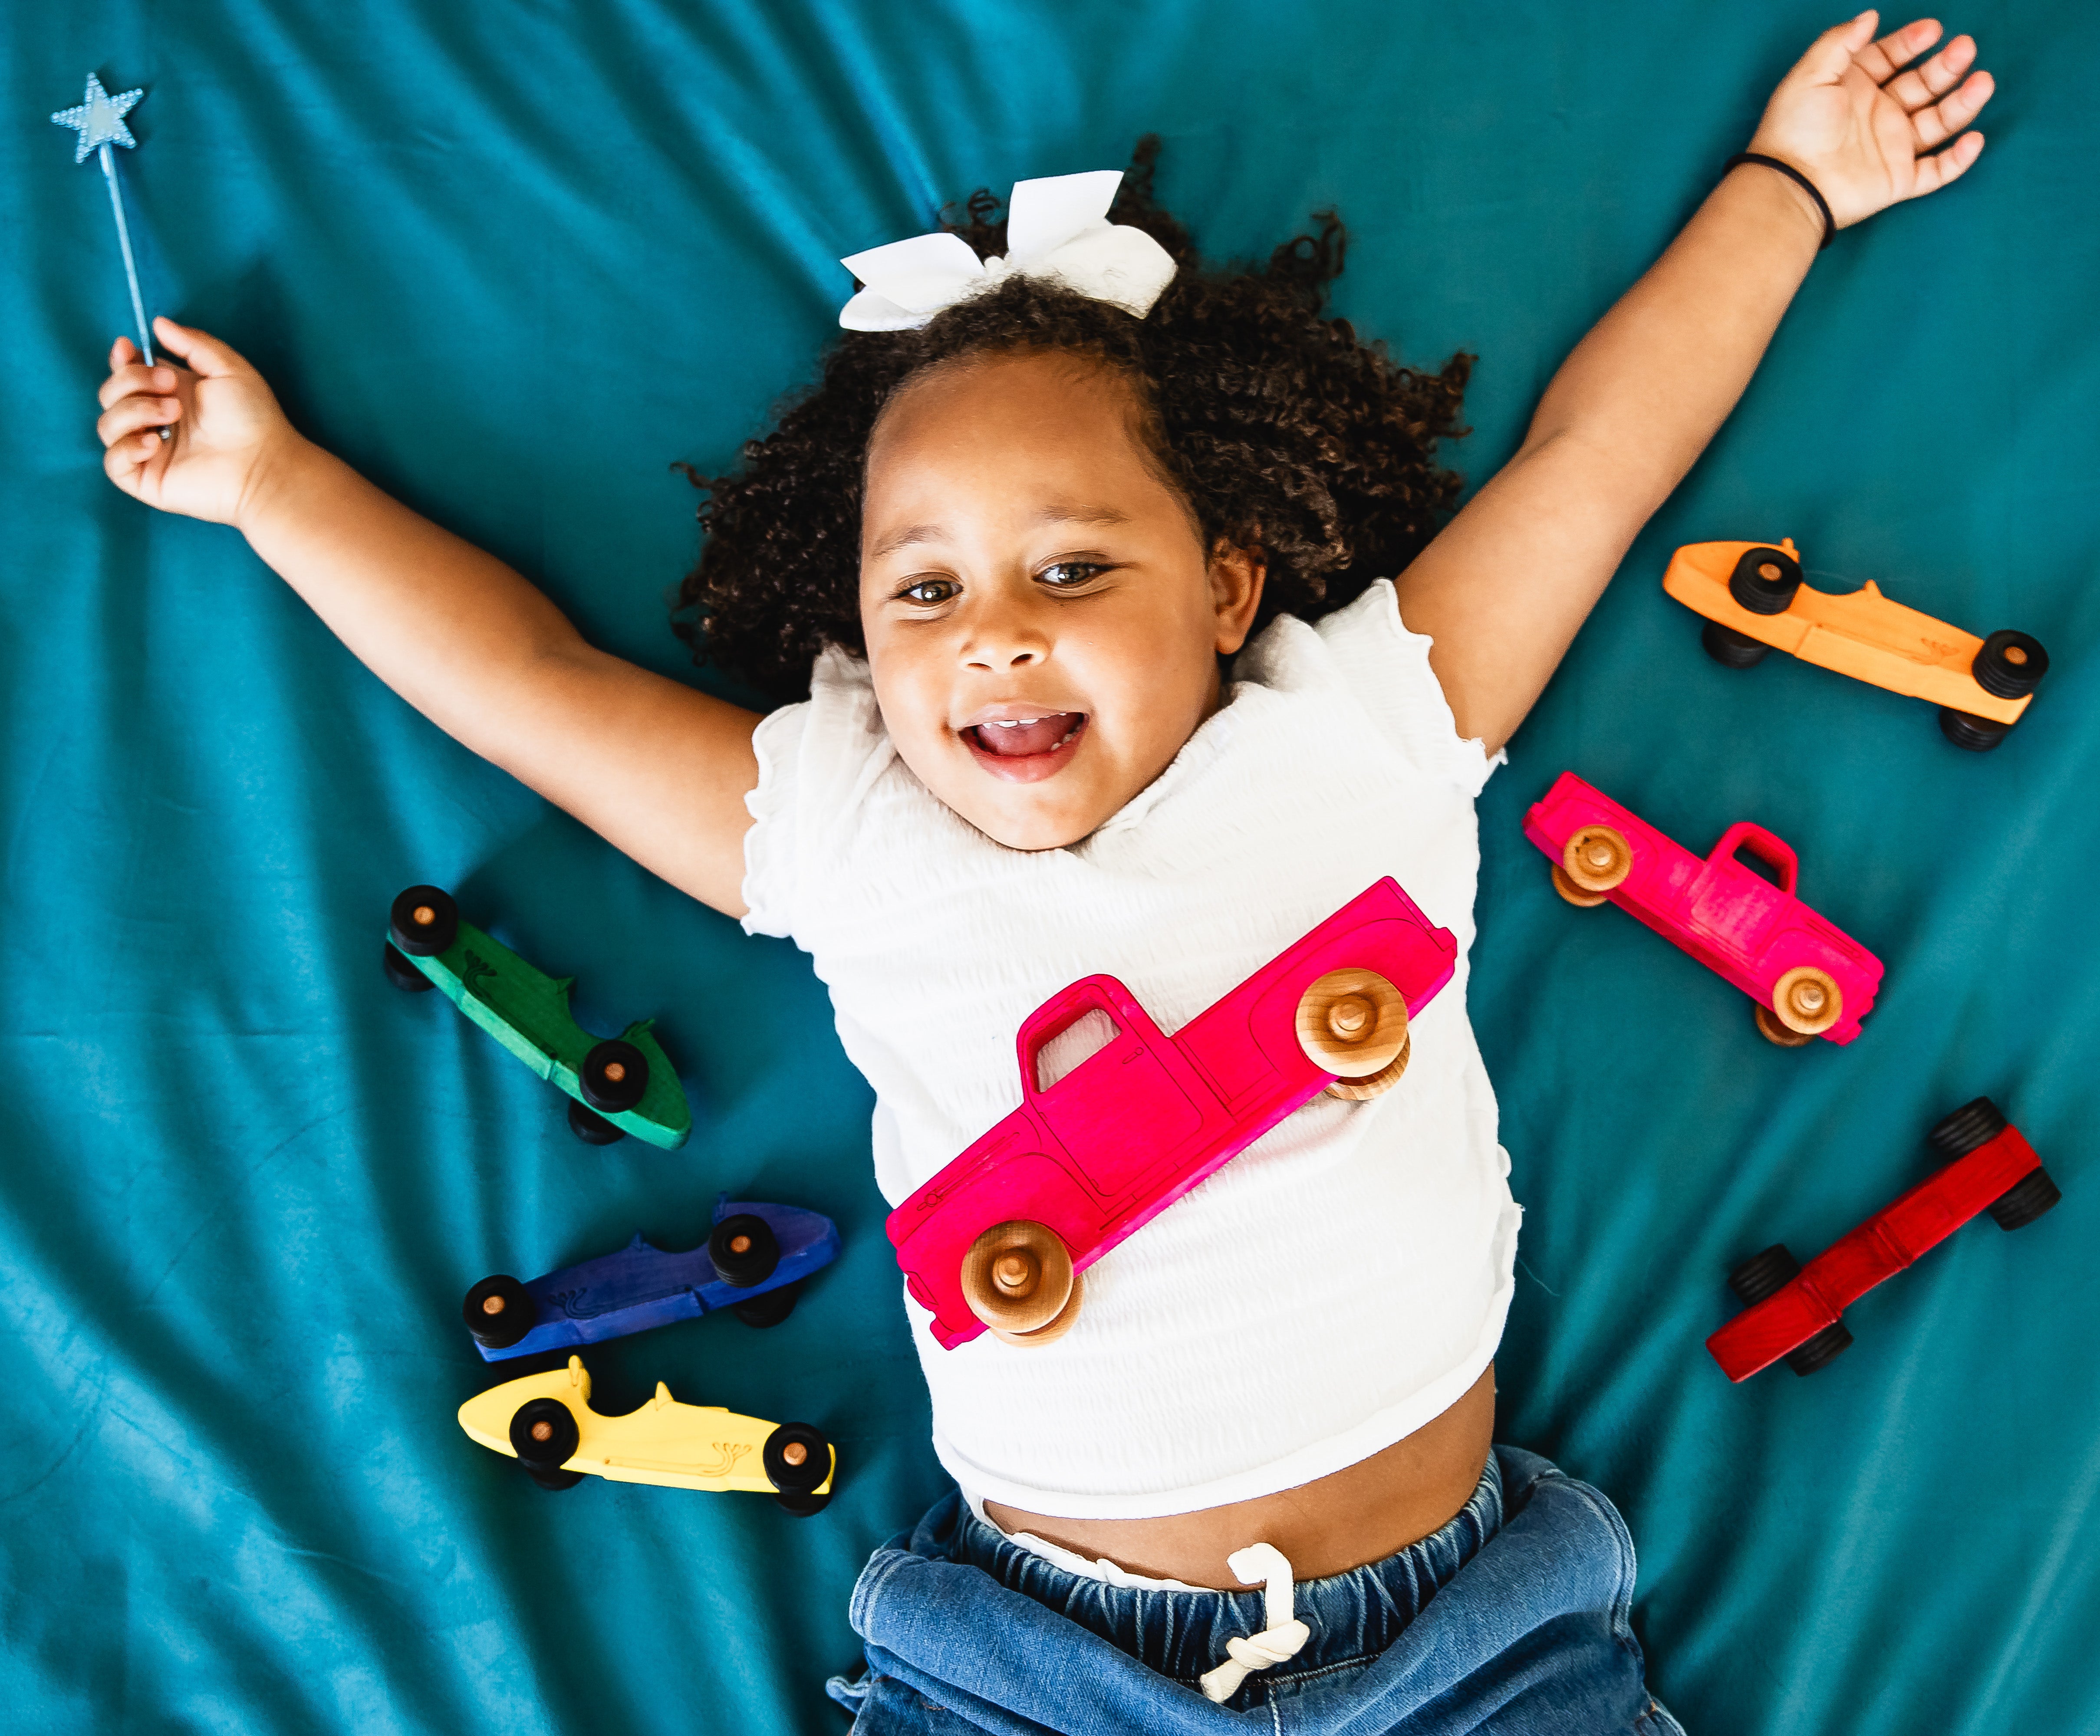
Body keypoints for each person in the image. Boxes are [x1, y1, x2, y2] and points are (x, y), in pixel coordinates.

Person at [93, 12, 1991, 1729]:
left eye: (1073, 569)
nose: (996, 633)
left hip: (1472, 1647)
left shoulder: (1358, 726)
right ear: (856, 638)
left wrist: (1791, 186)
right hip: (1039, 1671)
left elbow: (1594, 461)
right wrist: (270, 486)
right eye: (923, 591)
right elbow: (533, 685)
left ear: (1228, 588)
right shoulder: (844, 824)